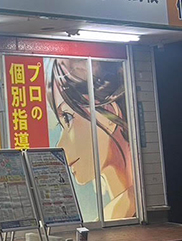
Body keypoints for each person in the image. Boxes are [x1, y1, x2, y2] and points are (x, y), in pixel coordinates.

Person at [48, 59, 136, 220]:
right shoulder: (118, 212)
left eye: (68, 118)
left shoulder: (130, 207)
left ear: (110, 114)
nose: (60, 145)